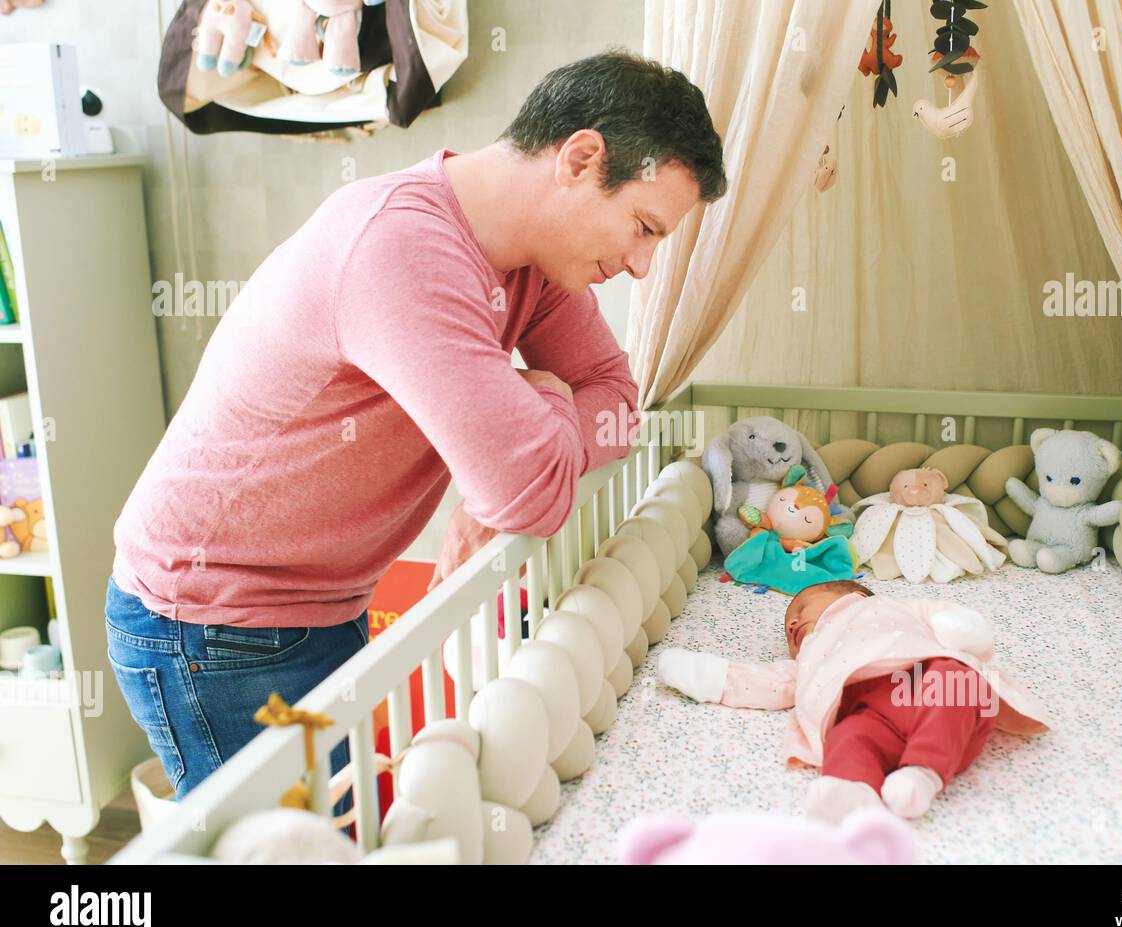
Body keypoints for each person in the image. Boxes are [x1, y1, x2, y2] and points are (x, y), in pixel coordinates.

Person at [106, 49, 728, 803]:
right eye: (642, 227)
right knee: (290, 851)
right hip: (212, 619)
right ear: (581, 157)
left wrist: (536, 410)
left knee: (344, 829)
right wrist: (543, 397)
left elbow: (619, 403)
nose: (641, 265)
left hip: (321, 602)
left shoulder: (537, 265)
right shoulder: (402, 246)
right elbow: (530, 488)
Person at [656, 579, 1049, 822]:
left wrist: (963, 633)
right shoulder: (812, 655)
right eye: (788, 627)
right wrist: (704, 674)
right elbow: (765, 682)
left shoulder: (890, 609)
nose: (792, 624)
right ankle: (851, 791)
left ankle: (924, 772)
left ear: (852, 594)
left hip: (919, 679)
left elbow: (952, 622)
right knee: (849, 736)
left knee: (957, 679)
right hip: (866, 714)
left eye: (801, 609)